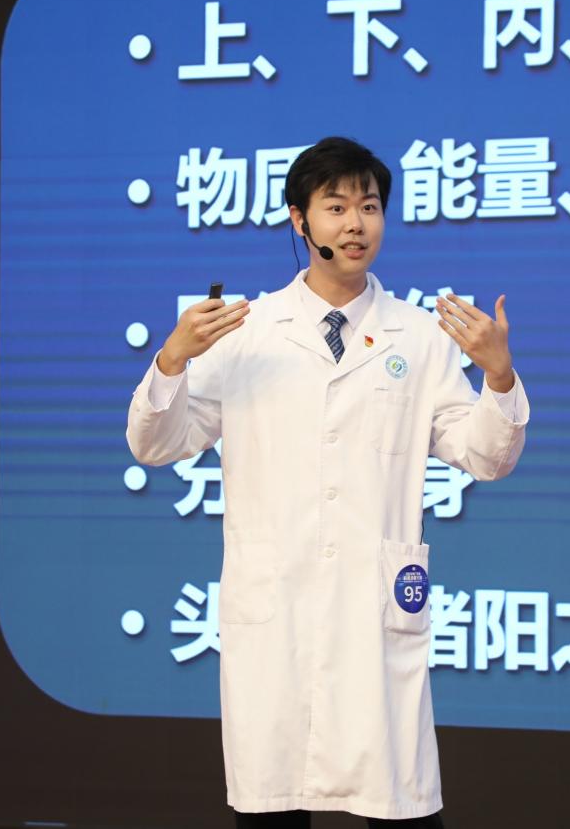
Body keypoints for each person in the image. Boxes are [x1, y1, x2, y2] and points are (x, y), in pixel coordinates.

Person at [126, 137, 529, 827]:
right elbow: (157, 445)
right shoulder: (247, 333)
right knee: (271, 805)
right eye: (335, 207)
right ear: (299, 219)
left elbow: (485, 456)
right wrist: (171, 361)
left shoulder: (418, 336)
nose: (355, 224)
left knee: (398, 804)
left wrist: (498, 375)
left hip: (372, 617)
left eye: (368, 207)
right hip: (275, 613)